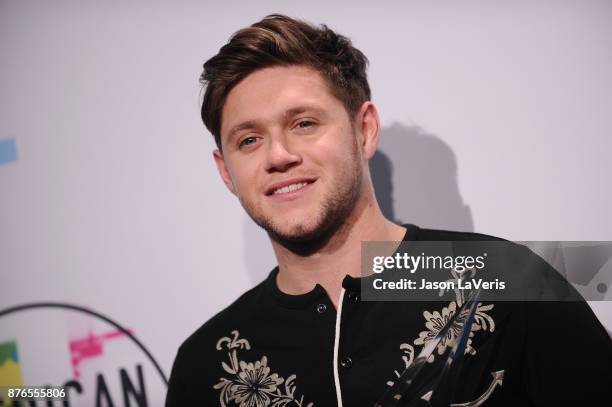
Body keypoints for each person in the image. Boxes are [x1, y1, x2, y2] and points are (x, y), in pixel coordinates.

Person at [166, 14, 612, 406]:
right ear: (226, 172)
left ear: (364, 130)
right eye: (249, 140)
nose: (278, 155)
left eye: (304, 123)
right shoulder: (205, 364)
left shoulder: (509, 281)